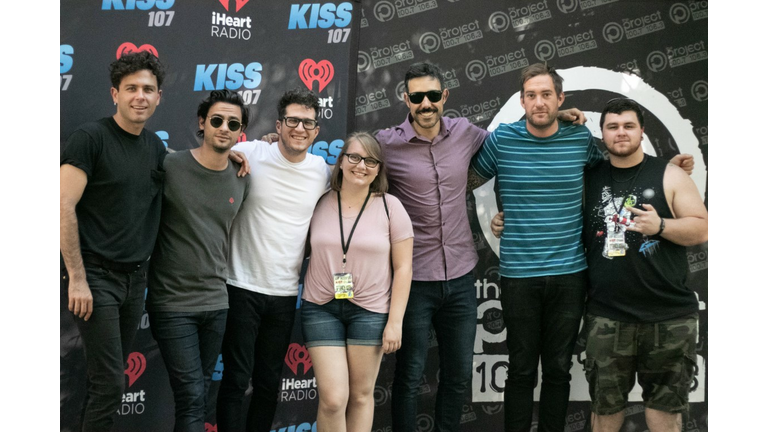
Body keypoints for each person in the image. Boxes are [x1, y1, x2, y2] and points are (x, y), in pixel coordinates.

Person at [477, 65, 693, 432]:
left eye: (547, 95)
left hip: (570, 273)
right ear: (521, 100)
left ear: (561, 98)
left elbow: (623, 167)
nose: (539, 101)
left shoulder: (579, 141)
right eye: (531, 95)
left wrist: (664, 171)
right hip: (517, 274)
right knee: (521, 369)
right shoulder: (501, 140)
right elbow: (461, 180)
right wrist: (493, 216)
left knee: (559, 368)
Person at [374, 61, 585, 432]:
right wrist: (278, 147)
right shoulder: (386, 144)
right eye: (418, 97)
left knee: (457, 377)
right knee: (409, 377)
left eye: (433, 95)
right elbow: (346, 166)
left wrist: (556, 115)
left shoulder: (466, 133)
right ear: (406, 100)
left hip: (459, 276)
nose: (426, 104)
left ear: (445, 97)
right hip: (413, 278)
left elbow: (521, 138)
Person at [581, 98, 707, 431]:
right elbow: (551, 211)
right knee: (604, 412)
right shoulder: (586, 177)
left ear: (642, 131)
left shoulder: (670, 174)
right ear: (602, 133)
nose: (620, 133)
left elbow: (701, 228)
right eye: (612, 126)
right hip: (607, 315)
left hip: (668, 316)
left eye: (628, 126)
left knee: (664, 413)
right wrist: (507, 221)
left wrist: (661, 226)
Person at [60, 51, 166, 431]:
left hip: (135, 281)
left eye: (148, 89)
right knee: (109, 382)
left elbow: (192, 170)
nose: (140, 96)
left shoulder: (155, 147)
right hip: (95, 277)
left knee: (108, 379)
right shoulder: (91, 138)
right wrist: (77, 276)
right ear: (114, 94)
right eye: (131, 88)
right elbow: (62, 206)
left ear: (158, 98)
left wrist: (241, 152)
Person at [216, 88, 331, 432]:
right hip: (239, 287)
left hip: (284, 295)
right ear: (279, 125)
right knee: (235, 380)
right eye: (292, 120)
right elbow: (208, 156)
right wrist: (229, 156)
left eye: (307, 122)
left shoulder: (322, 171)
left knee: (268, 384)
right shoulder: (250, 151)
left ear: (316, 130)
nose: (300, 128)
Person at [146, 90, 251, 431]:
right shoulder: (170, 164)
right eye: (217, 120)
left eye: (233, 123)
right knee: (192, 395)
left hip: (217, 304)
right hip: (172, 304)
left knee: (200, 393)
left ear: (240, 132)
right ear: (202, 123)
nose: (224, 128)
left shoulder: (242, 177)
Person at [301, 132, 414, 432]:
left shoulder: (392, 208)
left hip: (371, 311)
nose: (361, 165)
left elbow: (403, 268)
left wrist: (395, 322)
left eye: (370, 160)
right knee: (334, 399)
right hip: (320, 308)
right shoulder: (319, 201)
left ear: (378, 168)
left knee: (362, 396)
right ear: (340, 162)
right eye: (353, 157)